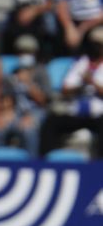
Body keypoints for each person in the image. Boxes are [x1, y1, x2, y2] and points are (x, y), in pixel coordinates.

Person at [40, 26, 103, 159]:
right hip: (75, 112)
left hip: (98, 113)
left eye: (98, 45)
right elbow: (65, 89)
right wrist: (80, 85)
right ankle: (45, 161)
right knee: (51, 122)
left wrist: (92, 82)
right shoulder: (80, 63)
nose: (95, 48)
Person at [0, 36, 50, 157]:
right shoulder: (11, 73)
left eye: (28, 52)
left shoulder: (41, 72)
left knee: (28, 131)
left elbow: (44, 101)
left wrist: (29, 83)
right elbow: (6, 98)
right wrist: (5, 114)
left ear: (35, 53)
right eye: (22, 52)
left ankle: (32, 164)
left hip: (36, 111)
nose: (25, 55)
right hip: (14, 112)